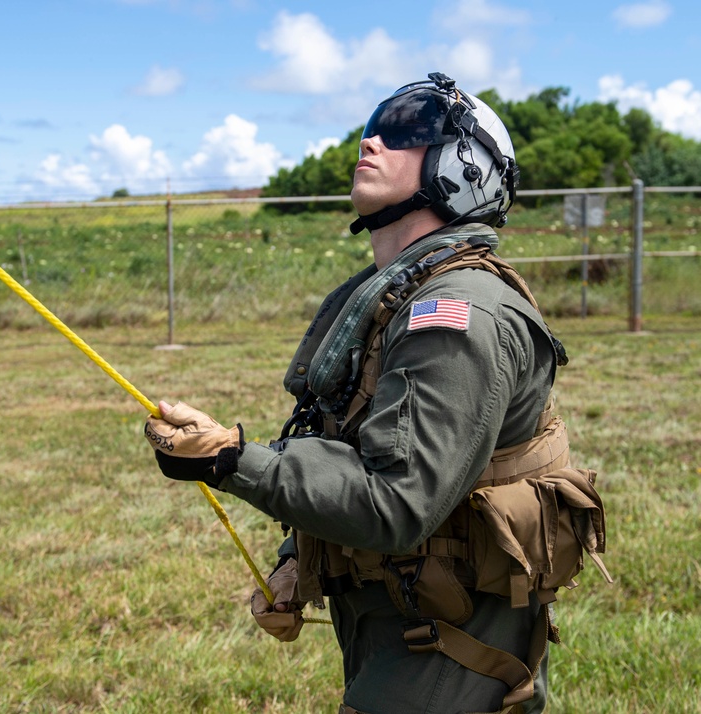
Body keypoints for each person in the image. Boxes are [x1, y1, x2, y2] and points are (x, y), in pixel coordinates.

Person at [144, 73, 608, 714]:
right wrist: (296, 557)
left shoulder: (456, 311)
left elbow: (396, 498)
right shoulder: (402, 297)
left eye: (409, 129)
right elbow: (355, 446)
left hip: (452, 646)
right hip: (411, 616)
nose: (372, 141)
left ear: (463, 167)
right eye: (373, 125)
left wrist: (230, 460)